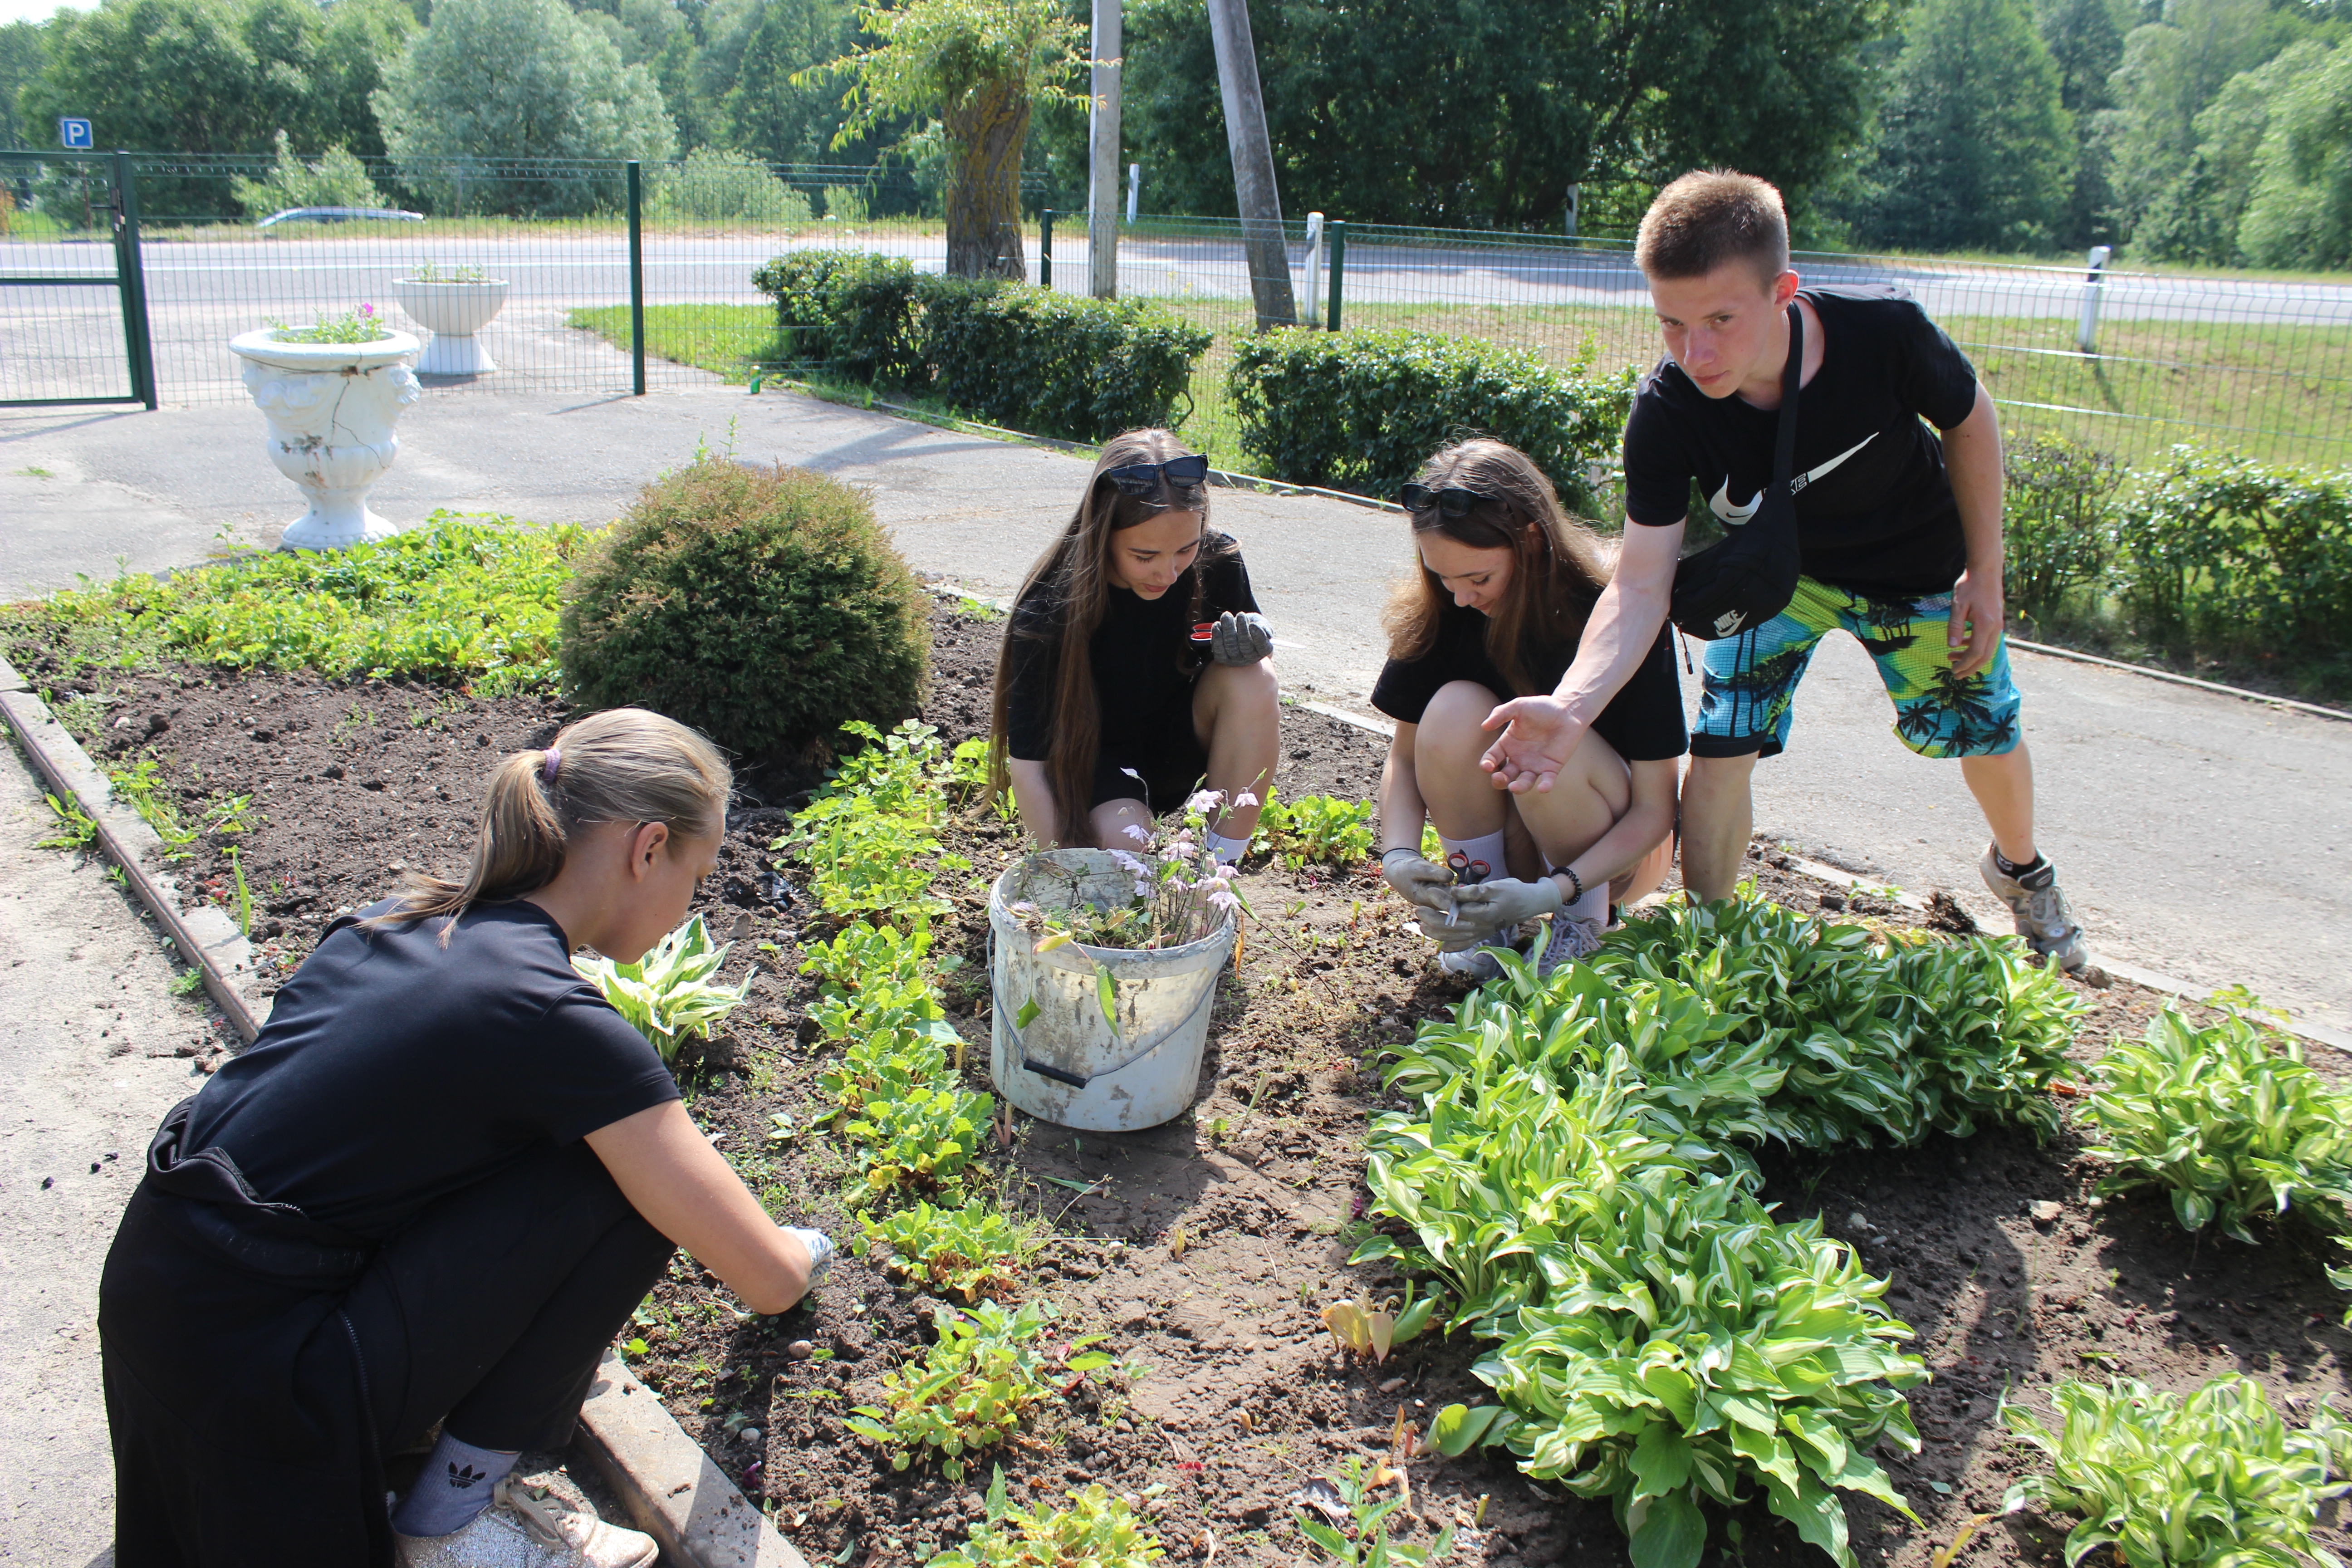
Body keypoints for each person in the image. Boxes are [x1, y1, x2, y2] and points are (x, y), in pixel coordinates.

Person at [100, 708, 837, 1568]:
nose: (689, 908)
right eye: (697, 876)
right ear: (646, 849)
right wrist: (798, 1246)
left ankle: (407, 1469)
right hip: (269, 1390)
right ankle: (446, 1522)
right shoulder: (553, 1020)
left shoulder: (396, 920)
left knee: (568, 1151)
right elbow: (768, 1279)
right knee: (625, 1185)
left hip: (159, 1318)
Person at [1476, 169, 2094, 973]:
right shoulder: (1664, 409)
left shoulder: (1884, 335)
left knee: (1982, 723)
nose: (1693, 353)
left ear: (1782, 292)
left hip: (1913, 569)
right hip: (1773, 581)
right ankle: (1712, 940)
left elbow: (1968, 419)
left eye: (1719, 320)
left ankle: (2019, 871)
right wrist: (1571, 705)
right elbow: (1637, 583)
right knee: (1721, 751)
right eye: (1669, 324)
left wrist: (1985, 569)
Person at [1371, 439, 1686, 979]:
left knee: (1539, 736)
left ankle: (1580, 925)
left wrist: (1554, 889)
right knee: (1452, 710)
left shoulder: (1619, 613)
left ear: (1533, 541)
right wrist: (1397, 855)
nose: (1461, 598)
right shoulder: (1446, 612)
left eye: (1479, 579)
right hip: (1514, 840)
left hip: (1614, 855)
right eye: (1443, 578)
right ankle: (1484, 918)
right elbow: (1405, 759)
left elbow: (1658, 810)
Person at [990, 429, 1279, 857]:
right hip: (1095, 761)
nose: (1168, 573)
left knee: (1255, 676)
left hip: (1180, 747)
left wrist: (1258, 643)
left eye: (1186, 550)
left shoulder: (1218, 561)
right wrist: (1059, 867)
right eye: (1145, 557)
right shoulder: (1050, 609)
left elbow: (1253, 689)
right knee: (1128, 844)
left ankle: (1220, 870)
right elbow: (1029, 764)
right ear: (1101, 534)